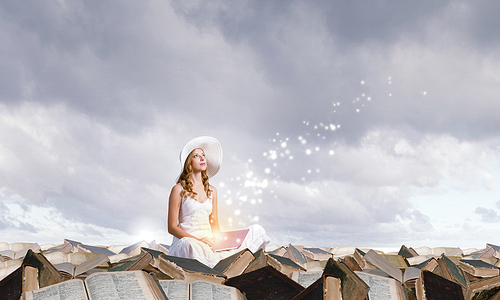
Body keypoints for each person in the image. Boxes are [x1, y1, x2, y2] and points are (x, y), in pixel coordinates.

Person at [167, 136, 270, 268]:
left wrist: (219, 242)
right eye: (196, 156)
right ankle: (216, 263)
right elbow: (172, 227)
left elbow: (214, 223)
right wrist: (198, 240)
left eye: (203, 155)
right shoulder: (178, 189)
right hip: (189, 241)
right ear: (188, 162)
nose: (202, 158)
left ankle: (223, 259)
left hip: (210, 241)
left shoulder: (212, 191)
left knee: (257, 230)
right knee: (190, 245)